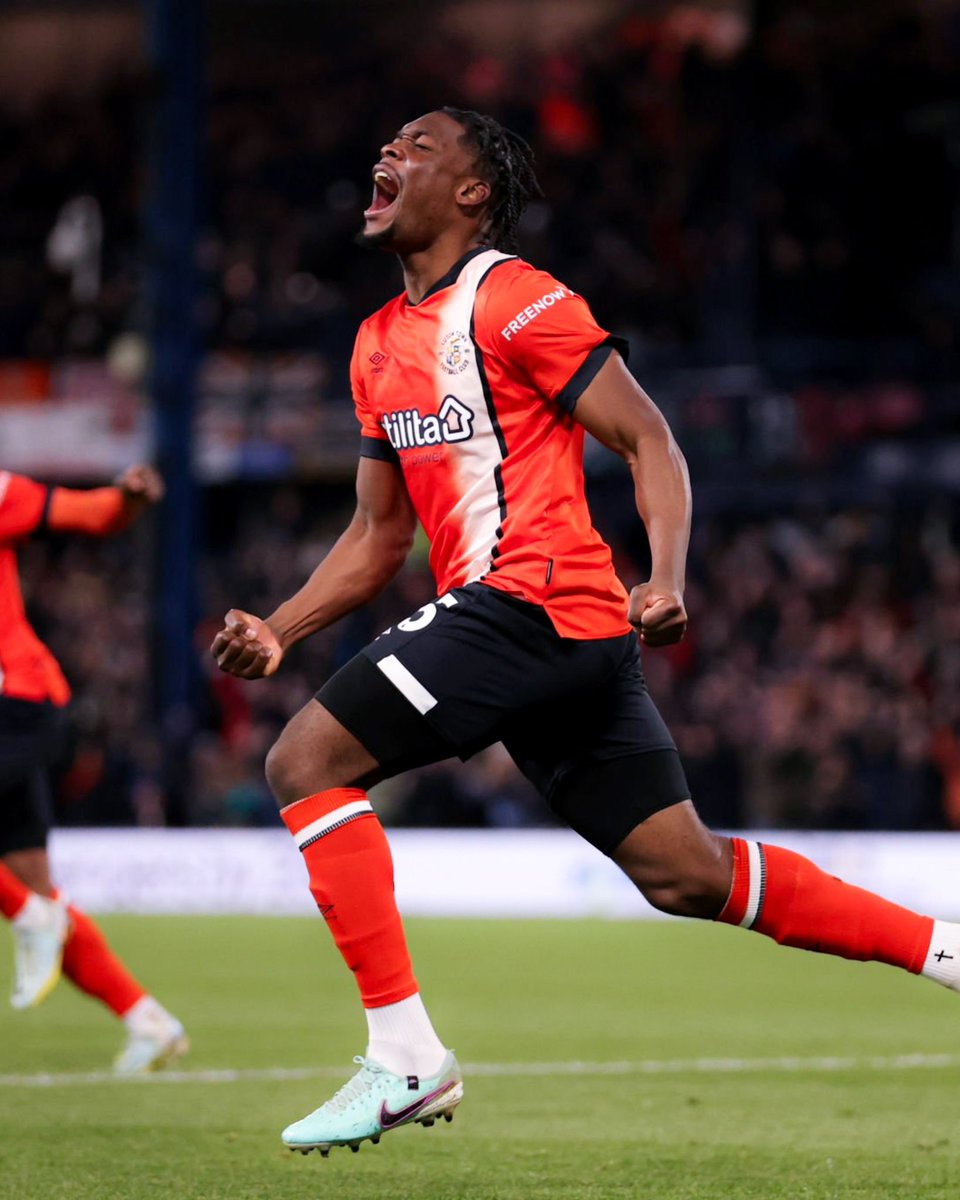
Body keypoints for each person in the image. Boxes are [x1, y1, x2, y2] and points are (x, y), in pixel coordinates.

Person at [211, 108, 960, 1156]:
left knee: (306, 758)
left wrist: (667, 577)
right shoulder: (378, 344)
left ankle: (407, 1060)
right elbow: (378, 536)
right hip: (540, 630)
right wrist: (282, 628)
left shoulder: (516, 299)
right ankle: (947, 950)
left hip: (533, 601)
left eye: (419, 147)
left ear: (473, 193)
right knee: (685, 874)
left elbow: (648, 437)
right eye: (384, 143)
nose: (387, 155)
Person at [0, 465, 188, 1075]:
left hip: (15, 700)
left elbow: (89, 513)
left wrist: (126, 499)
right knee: (32, 885)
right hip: (22, 705)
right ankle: (147, 1020)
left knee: (33, 907)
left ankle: (33, 920)